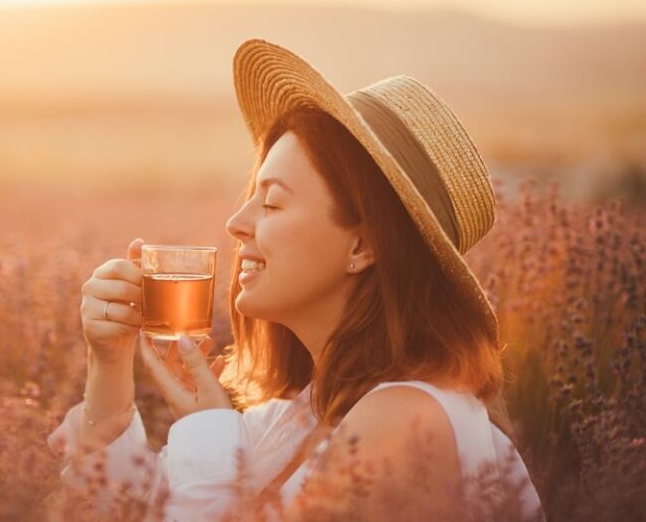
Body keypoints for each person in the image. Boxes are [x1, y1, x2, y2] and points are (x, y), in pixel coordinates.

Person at [47, 38, 544, 521]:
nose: (236, 222)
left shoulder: (406, 424)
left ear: (362, 246)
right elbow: (123, 510)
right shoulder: (302, 414)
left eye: (273, 202)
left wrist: (209, 431)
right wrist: (109, 368)